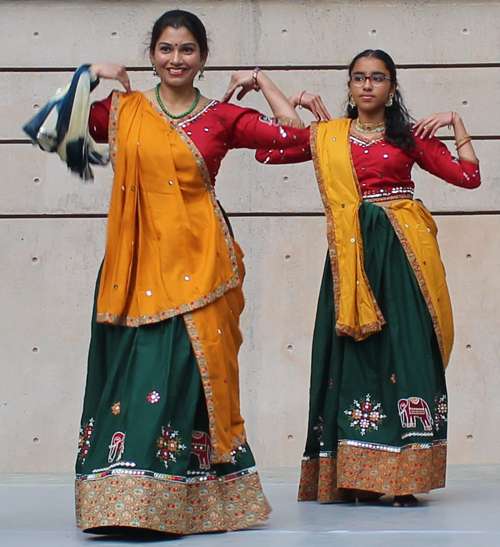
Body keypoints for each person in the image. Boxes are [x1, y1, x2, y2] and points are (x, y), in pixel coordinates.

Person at [23, 9, 309, 535]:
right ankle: (124, 501)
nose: (175, 59)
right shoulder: (123, 109)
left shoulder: (221, 117)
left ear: (202, 57)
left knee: (184, 373)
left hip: (201, 264)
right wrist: (90, 74)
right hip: (133, 268)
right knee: (132, 373)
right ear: (152, 54)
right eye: (165, 49)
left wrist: (264, 82)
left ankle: (186, 501)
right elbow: (48, 132)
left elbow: (298, 141)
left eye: (187, 50)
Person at [256, 49, 480, 507]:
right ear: (349, 86)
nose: (366, 86)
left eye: (377, 78)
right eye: (358, 78)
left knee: (406, 353)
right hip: (351, 261)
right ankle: (352, 476)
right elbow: (266, 151)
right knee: (353, 357)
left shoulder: (407, 139)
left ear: (392, 88)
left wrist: (456, 122)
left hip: (402, 257)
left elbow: (469, 177)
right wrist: (292, 100)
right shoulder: (328, 137)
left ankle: (402, 476)